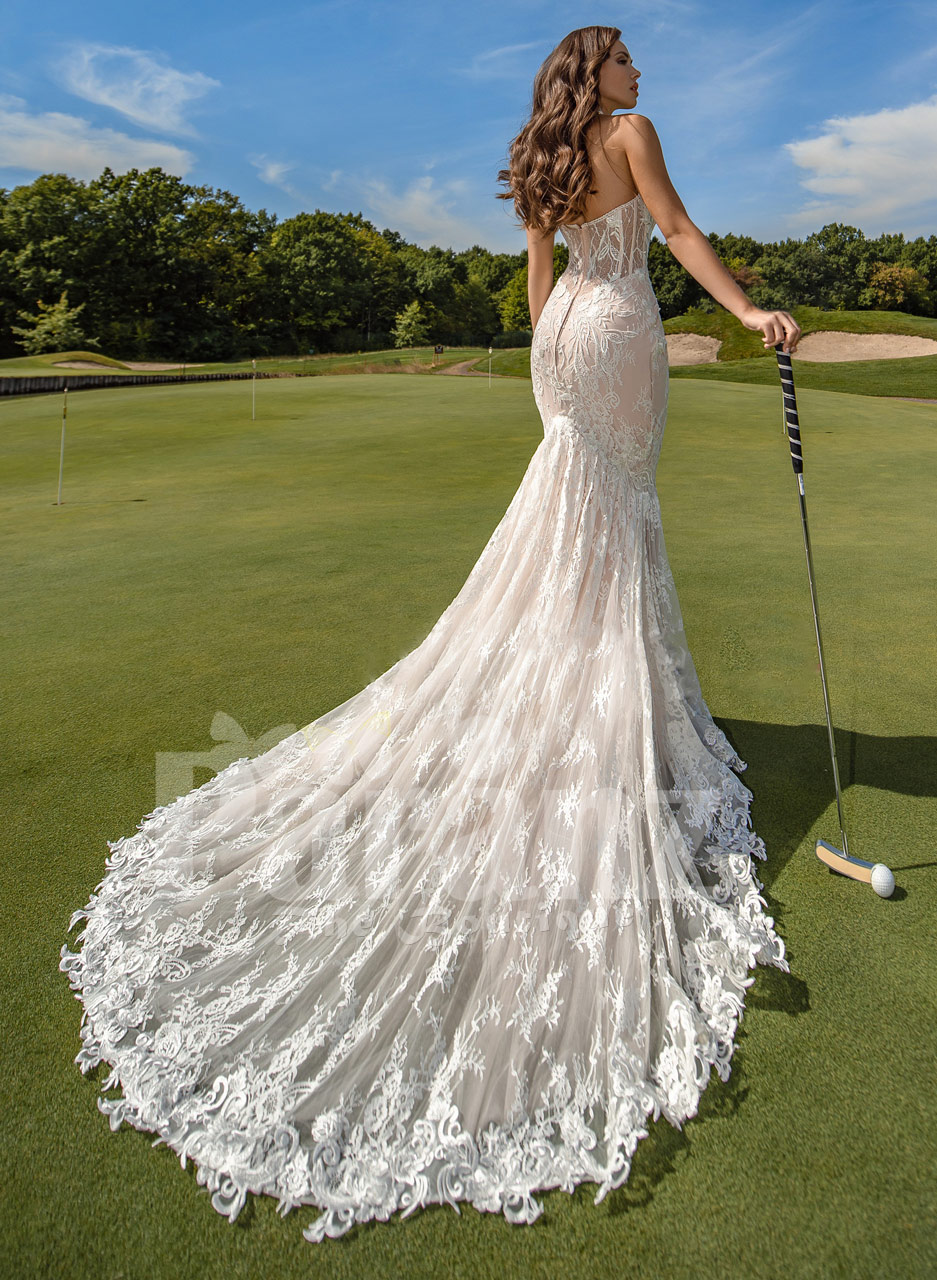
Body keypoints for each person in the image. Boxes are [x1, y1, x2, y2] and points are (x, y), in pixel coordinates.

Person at [59, 24, 792, 1246]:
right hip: (616, 333)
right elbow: (672, 233)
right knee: (612, 520)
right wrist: (749, 306)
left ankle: (566, 687)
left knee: (576, 518)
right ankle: (586, 709)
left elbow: (536, 274)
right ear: (596, 74)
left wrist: (543, 375)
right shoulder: (629, 137)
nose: (640, 76)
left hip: (565, 342)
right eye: (625, 59)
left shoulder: (547, 151)